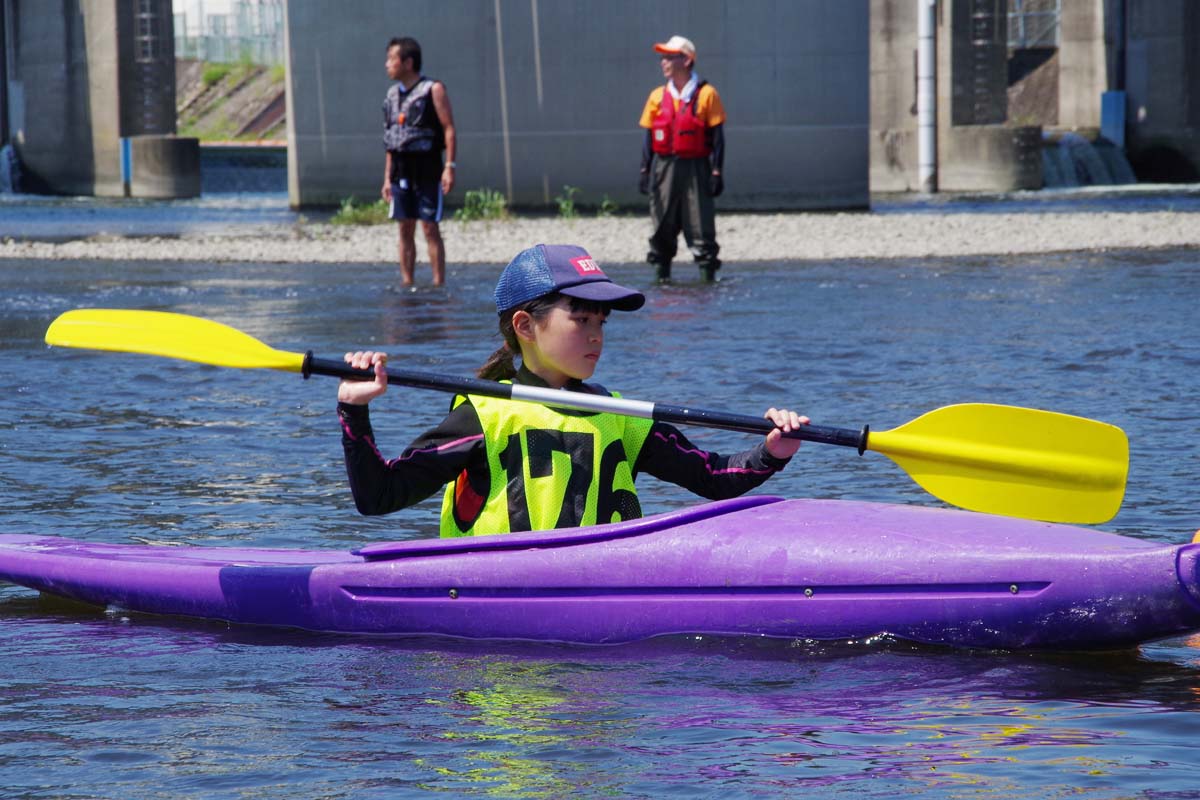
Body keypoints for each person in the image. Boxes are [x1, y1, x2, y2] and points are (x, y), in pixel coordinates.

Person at [337, 243, 809, 537]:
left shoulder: (620, 417)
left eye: (601, 321)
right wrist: (354, 411)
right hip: (495, 640)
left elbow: (713, 477)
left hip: (600, 653)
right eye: (580, 319)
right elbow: (378, 496)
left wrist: (772, 451)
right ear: (525, 325)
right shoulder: (485, 415)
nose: (596, 335)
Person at [638, 35, 725, 283]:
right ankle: (661, 280)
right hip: (664, 167)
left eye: (669, 57)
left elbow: (718, 138)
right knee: (661, 223)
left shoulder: (707, 94)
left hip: (697, 167)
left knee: (701, 224)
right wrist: (645, 170)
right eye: (662, 57)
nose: (663, 62)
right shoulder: (656, 96)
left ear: (686, 60)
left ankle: (707, 281)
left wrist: (717, 171)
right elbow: (648, 138)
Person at [381, 36, 457, 287]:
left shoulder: (433, 89)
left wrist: (449, 167)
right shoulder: (392, 95)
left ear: (408, 62)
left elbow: (449, 129)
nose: (387, 64)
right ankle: (407, 283)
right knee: (404, 227)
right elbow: (391, 139)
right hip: (400, 171)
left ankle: (438, 284)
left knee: (429, 227)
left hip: (428, 168)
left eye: (392, 59)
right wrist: (386, 178)